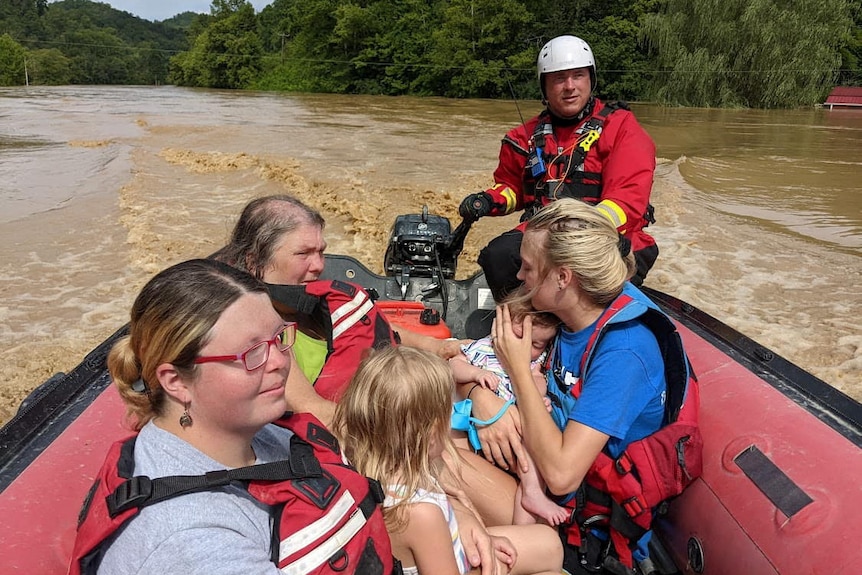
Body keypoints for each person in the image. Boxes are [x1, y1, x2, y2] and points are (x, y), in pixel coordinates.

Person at [68, 258, 395, 574]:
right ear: (177, 381)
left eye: (279, 338)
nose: (279, 362)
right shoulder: (194, 547)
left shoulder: (249, 430)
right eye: (252, 352)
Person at [469, 198, 696, 573]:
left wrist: (519, 372)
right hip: (536, 477)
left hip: (573, 528)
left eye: (528, 267)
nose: (520, 276)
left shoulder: (625, 351)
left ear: (563, 277)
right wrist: (479, 395)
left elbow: (561, 476)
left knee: (427, 480)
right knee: (419, 444)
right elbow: (474, 358)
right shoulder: (564, 317)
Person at [214, 194, 467, 424]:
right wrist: (406, 425)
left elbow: (370, 325)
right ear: (254, 260)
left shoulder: (310, 299)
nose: (318, 266)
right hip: (347, 434)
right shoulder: (257, 329)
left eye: (321, 252)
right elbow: (311, 410)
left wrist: (437, 347)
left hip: (377, 404)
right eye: (303, 253)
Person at [458, 35, 658, 301]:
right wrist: (487, 200)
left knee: (592, 274)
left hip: (609, 235)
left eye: (578, 76)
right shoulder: (523, 137)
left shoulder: (622, 127)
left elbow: (628, 200)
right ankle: (526, 323)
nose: (570, 86)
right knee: (499, 256)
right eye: (559, 79)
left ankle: (591, 330)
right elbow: (513, 189)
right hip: (545, 232)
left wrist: (574, 234)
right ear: (544, 86)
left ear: (591, 79)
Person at [332, 345, 563, 575]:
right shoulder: (422, 514)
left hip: (447, 549)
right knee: (550, 560)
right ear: (432, 435)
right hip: (449, 560)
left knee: (549, 543)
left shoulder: (363, 467)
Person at [448, 293, 568, 526]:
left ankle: (526, 513)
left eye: (536, 344)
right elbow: (453, 366)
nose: (525, 349)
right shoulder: (484, 348)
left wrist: (535, 399)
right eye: (519, 336)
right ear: (500, 328)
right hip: (471, 427)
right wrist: (475, 374)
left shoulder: (534, 363)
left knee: (533, 453)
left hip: (512, 428)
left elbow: (537, 381)